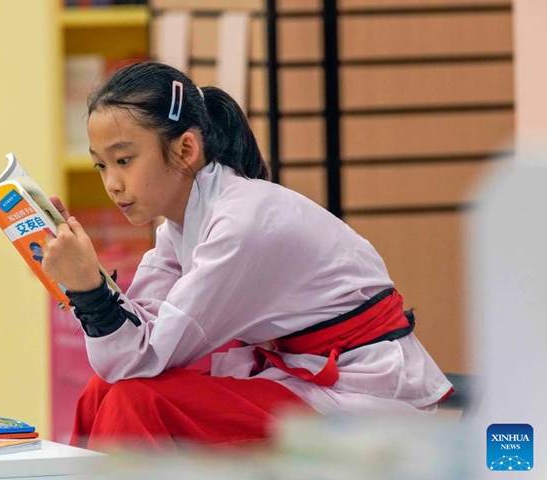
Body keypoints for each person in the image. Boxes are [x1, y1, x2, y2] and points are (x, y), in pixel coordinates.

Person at [41, 62, 453, 452]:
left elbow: (138, 356)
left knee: (135, 402)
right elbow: (133, 342)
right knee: (105, 392)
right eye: (101, 166)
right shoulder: (181, 224)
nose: (112, 184)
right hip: (300, 377)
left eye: (124, 160)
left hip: (362, 394)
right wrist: (82, 276)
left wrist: (89, 289)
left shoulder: (240, 224)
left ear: (186, 149)